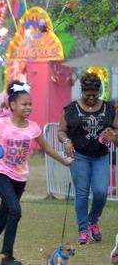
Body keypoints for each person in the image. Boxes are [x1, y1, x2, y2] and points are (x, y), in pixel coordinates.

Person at [0, 81, 73, 265]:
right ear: (13, 105)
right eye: (24, 104)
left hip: (20, 178)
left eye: (30, 104)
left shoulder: (33, 127)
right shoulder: (1, 123)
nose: (28, 107)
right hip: (0, 173)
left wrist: (64, 161)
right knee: (15, 211)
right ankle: (7, 257)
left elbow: (47, 148)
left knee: (2, 219)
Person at [58, 73, 118, 245]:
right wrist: (67, 141)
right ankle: (83, 229)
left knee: (100, 192)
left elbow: (117, 131)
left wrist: (113, 136)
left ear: (99, 91)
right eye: (87, 94)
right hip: (79, 156)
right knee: (82, 193)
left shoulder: (109, 108)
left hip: (100, 156)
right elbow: (61, 131)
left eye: (94, 94)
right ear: (81, 91)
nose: (91, 97)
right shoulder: (70, 109)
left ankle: (93, 220)